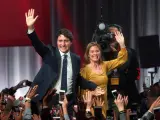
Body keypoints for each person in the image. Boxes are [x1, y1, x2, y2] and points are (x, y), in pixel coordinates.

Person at [25, 9, 97, 115]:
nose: (63, 44)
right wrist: (31, 28)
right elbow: (37, 44)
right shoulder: (50, 52)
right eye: (60, 41)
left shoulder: (75, 59)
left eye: (66, 41)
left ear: (71, 42)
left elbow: (77, 79)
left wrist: (94, 86)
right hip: (49, 99)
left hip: (69, 101)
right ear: (57, 41)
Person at [80, 30, 128, 118]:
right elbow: (82, 93)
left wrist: (122, 44)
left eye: (97, 51)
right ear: (88, 54)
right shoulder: (85, 70)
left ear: (100, 52)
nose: (95, 53)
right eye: (92, 52)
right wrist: (93, 92)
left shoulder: (104, 65)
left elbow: (121, 60)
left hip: (104, 105)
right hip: (92, 106)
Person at [107, 24, 141, 107]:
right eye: (110, 34)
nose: (112, 36)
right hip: (109, 95)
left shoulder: (131, 53)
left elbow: (136, 74)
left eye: (115, 34)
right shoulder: (102, 53)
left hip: (128, 93)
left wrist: (123, 76)